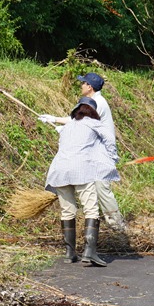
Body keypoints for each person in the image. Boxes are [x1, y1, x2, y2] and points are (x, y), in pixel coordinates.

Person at [39, 72, 127, 232]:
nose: (81, 85)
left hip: (101, 155)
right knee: (98, 191)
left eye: (83, 83)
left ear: (90, 87)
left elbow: (77, 121)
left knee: (102, 190)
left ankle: (118, 228)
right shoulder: (95, 101)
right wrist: (59, 124)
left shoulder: (97, 103)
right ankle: (113, 227)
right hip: (92, 154)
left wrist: (56, 120)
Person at [44, 96, 120, 267]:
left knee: (67, 211)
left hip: (59, 170)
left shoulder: (68, 126)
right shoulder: (94, 123)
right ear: (92, 112)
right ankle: (89, 252)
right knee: (91, 208)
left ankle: (70, 253)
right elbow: (109, 140)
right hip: (81, 169)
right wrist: (113, 158)